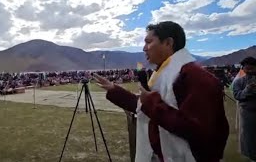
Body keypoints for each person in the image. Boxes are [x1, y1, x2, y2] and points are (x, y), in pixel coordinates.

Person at [94, 21, 229, 162]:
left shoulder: (196, 77)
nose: (144, 48)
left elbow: (198, 130)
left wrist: (151, 103)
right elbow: (144, 107)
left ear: (168, 43)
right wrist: (115, 91)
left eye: (149, 42)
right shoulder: (164, 74)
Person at [232, 57, 256, 162]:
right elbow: (237, 95)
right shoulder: (238, 81)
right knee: (249, 138)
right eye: (248, 68)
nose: (250, 71)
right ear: (243, 69)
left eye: (252, 68)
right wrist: (247, 90)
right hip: (247, 114)